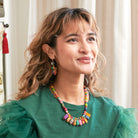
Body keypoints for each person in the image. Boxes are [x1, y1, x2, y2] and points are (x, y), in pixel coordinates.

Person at [0, 7, 138, 138]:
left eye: (91, 39)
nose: (86, 49)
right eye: (73, 40)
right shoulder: (26, 114)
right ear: (50, 51)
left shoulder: (112, 114)